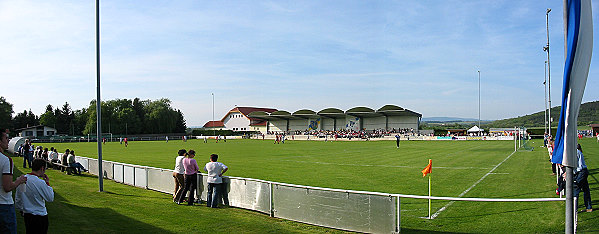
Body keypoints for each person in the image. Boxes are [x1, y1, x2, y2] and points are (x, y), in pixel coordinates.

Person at [15, 159, 54, 234]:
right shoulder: (40, 183)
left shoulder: (22, 179)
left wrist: (21, 209)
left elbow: (18, 198)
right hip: (40, 216)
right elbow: (50, 198)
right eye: (45, 169)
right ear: (42, 168)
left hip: (28, 215)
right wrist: (47, 183)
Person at [1, 129, 27, 234]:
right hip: (4, 205)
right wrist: (19, 181)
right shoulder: (6, 160)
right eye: (6, 138)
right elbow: (7, 187)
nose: (8, 140)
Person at [574, 144, 592, 213]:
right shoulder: (578, 151)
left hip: (581, 172)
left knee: (576, 189)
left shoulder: (575, 152)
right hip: (583, 171)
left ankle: (574, 209)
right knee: (586, 190)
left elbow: (574, 165)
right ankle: (589, 207)